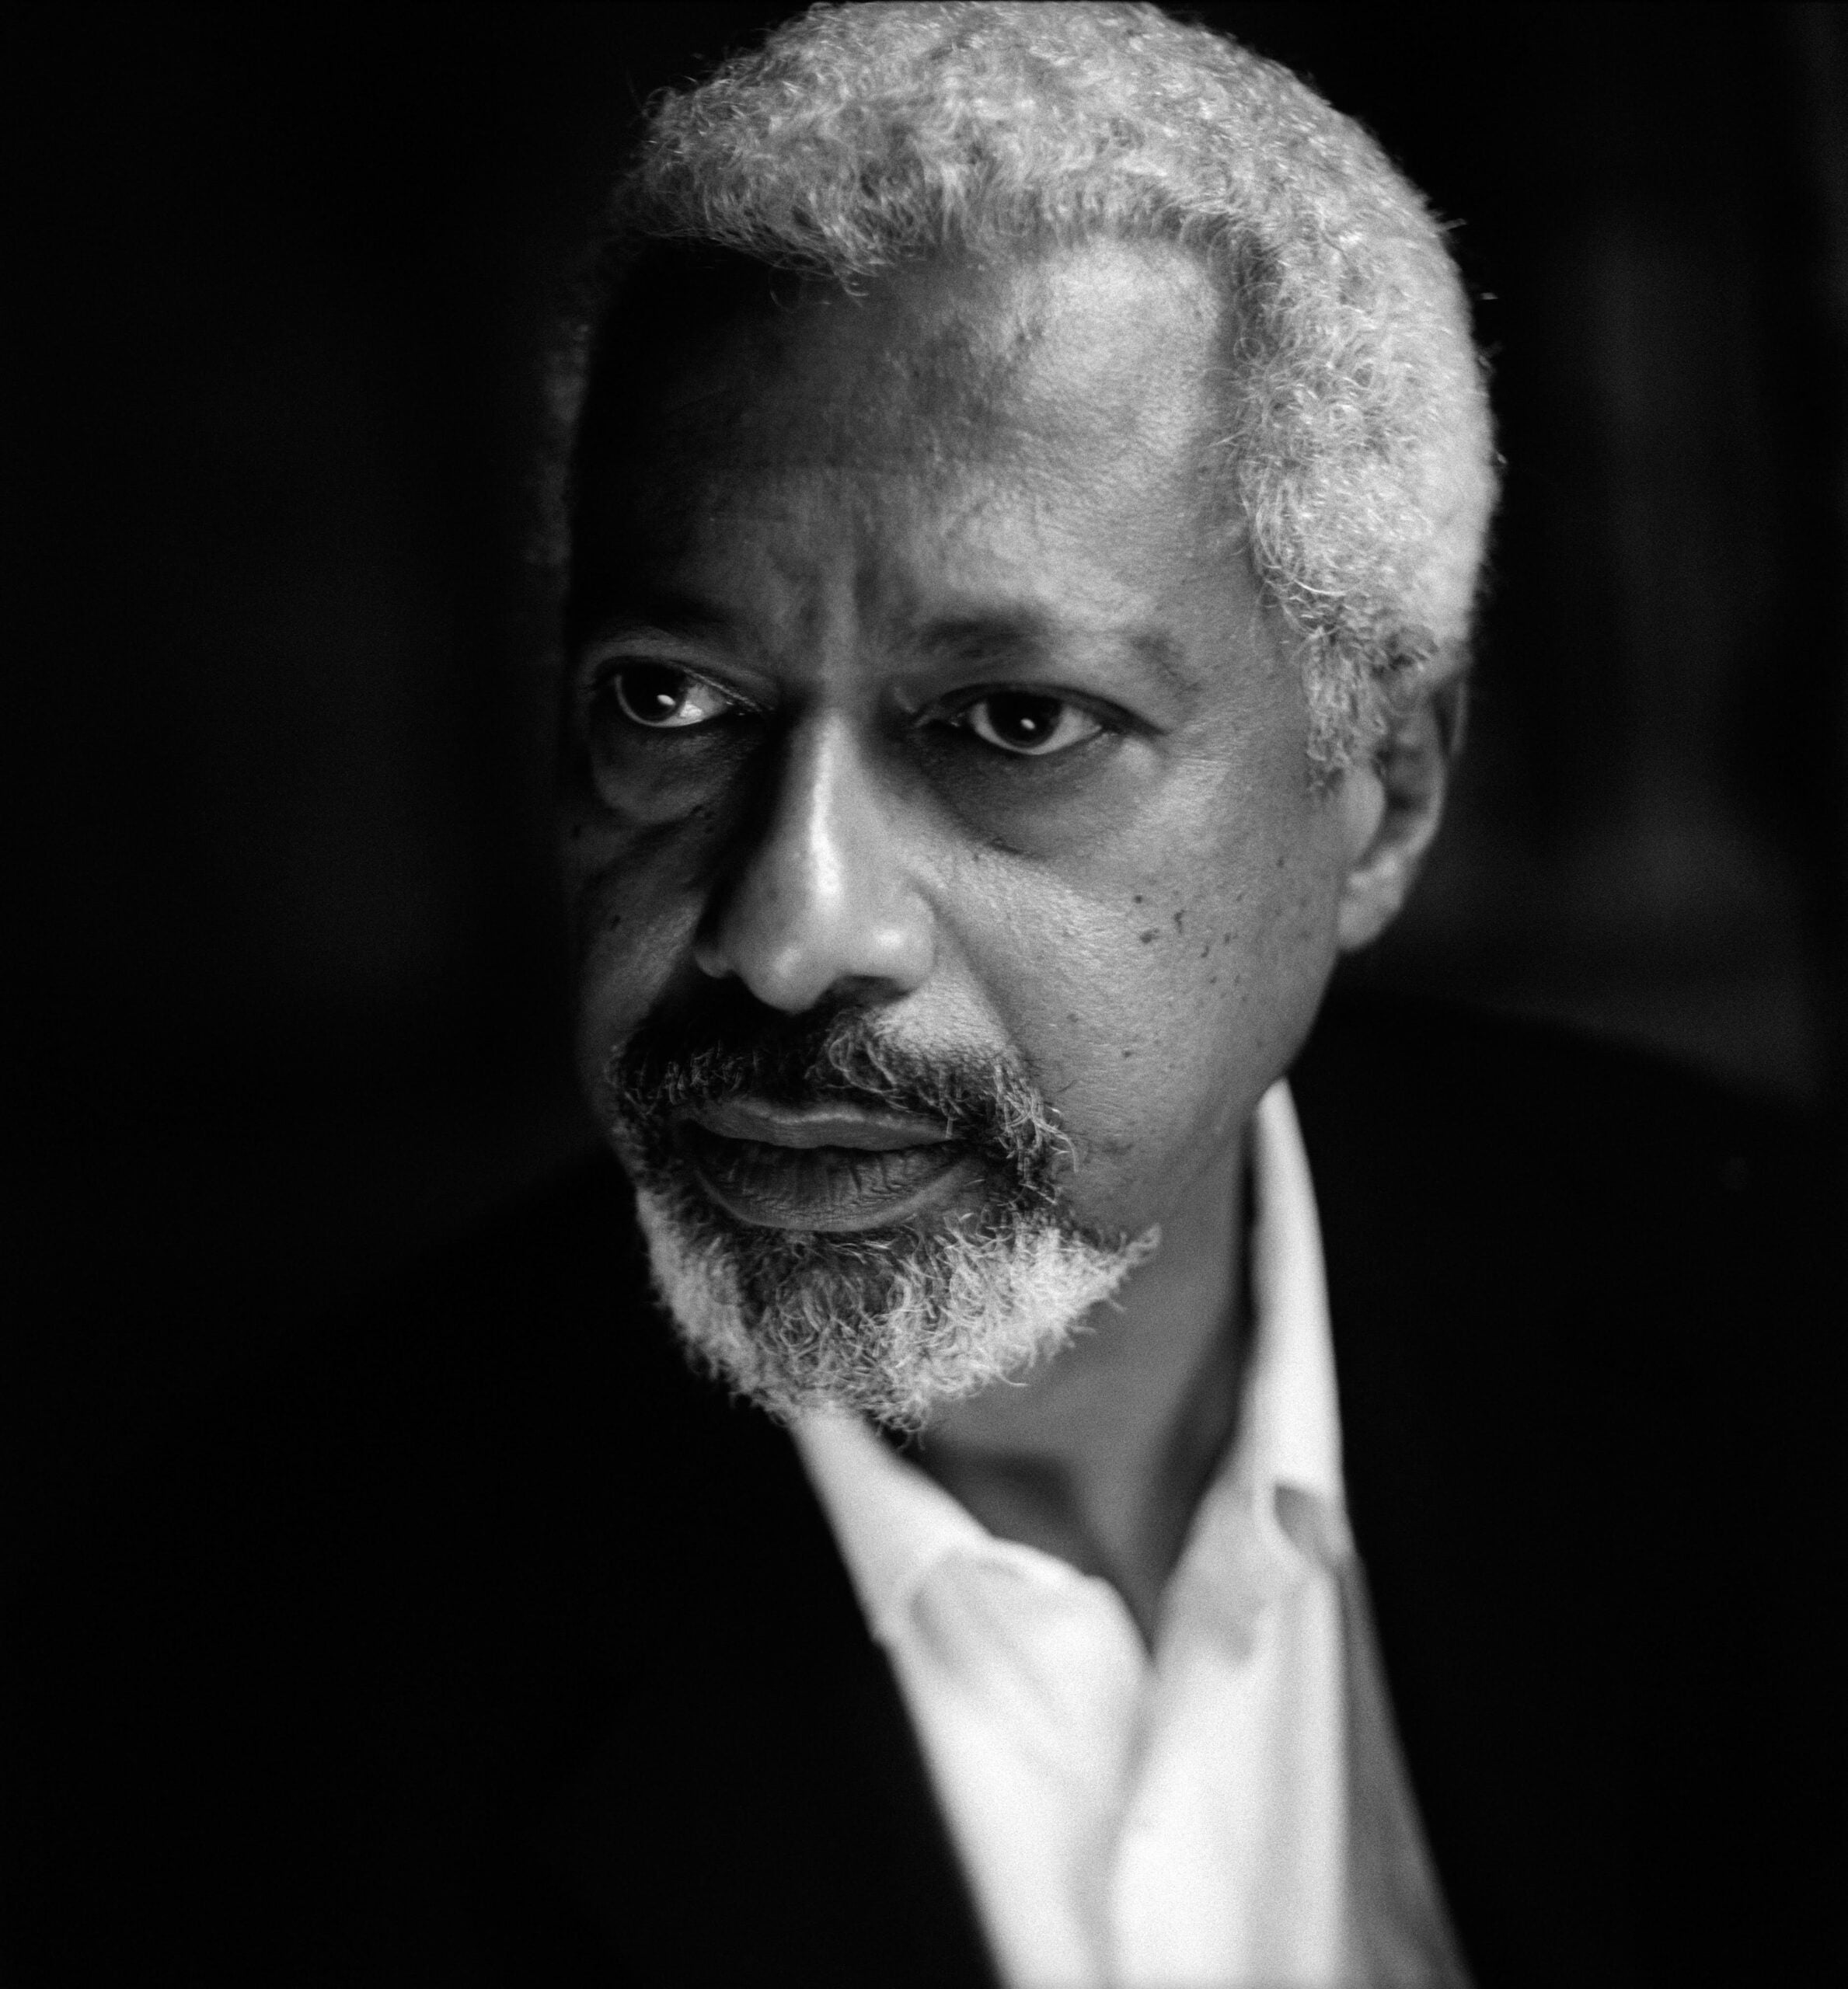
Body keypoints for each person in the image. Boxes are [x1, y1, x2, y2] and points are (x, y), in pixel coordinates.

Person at [2, 5, 1839, 1986]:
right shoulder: (212, 1712)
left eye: (1013, 720)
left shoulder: (1784, 1355)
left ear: (1380, 794)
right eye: (665, 701)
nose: (786, 933)